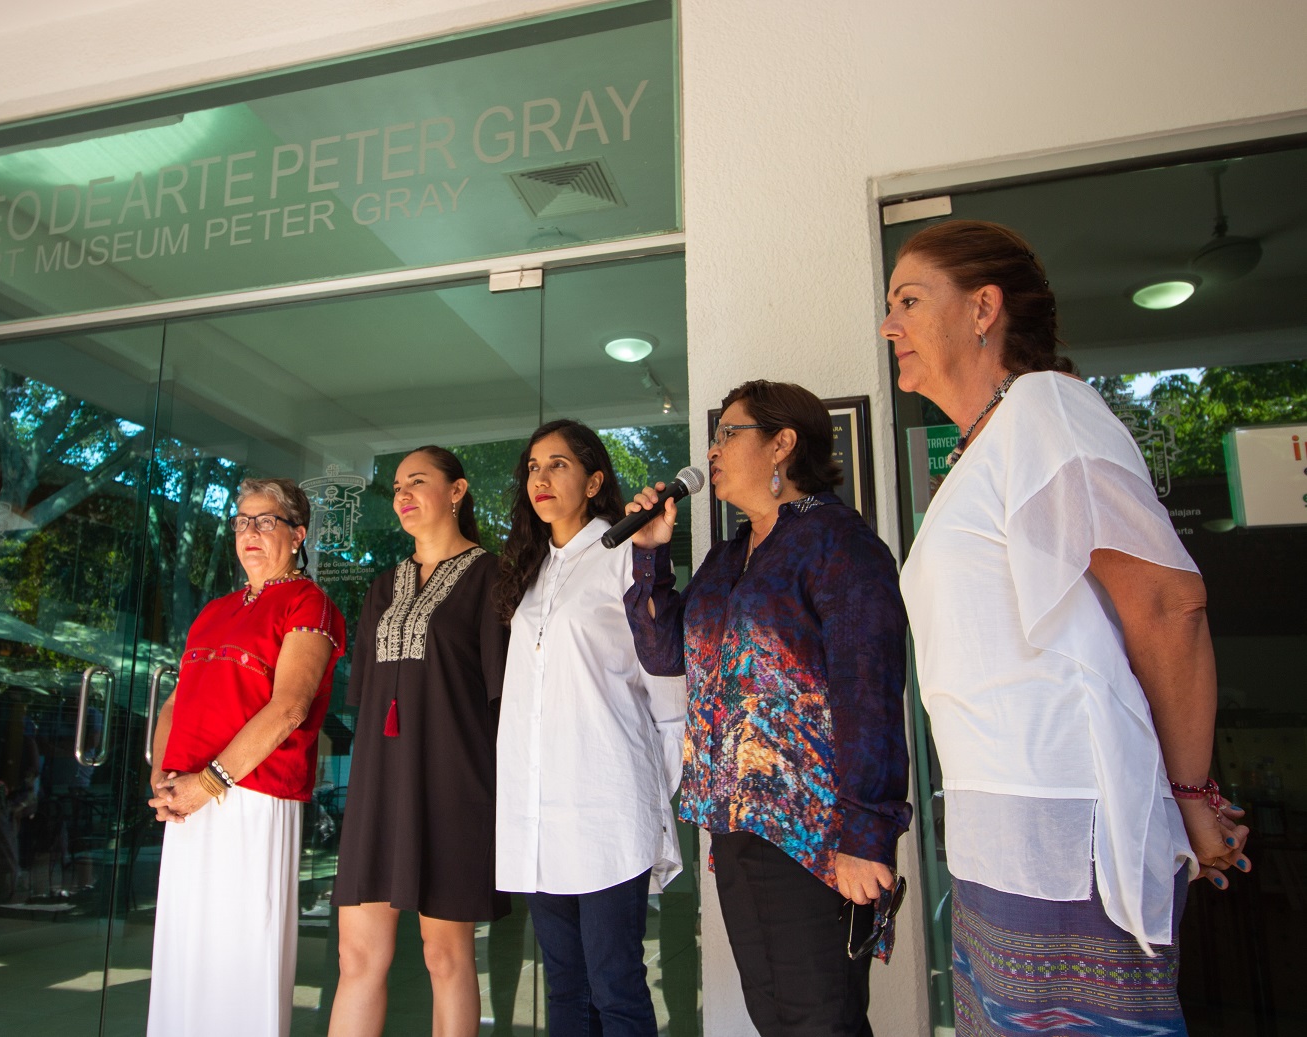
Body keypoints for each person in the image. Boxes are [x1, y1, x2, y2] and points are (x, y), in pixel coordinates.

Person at [878, 219, 1250, 1035]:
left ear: (983, 308)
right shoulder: (983, 448)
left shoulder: (1047, 408)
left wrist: (1188, 793)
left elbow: (1165, 604)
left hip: (1065, 834)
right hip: (996, 834)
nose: (889, 323)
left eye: (908, 299)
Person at [623, 381, 911, 1037]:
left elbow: (870, 689)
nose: (714, 447)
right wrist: (652, 552)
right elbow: (668, 652)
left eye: (730, 432)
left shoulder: (838, 543)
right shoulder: (728, 558)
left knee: (821, 1019)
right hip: (737, 827)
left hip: (817, 836)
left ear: (782, 442)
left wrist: (867, 834)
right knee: (775, 1015)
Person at [494, 419, 686, 1037]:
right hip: (540, 816)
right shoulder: (532, 569)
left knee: (616, 986)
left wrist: (657, 790)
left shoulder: (625, 552)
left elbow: (666, 685)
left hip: (605, 805)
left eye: (558, 465)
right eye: (532, 467)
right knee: (563, 988)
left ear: (595, 479)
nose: (540, 478)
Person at [147, 477, 346, 1037]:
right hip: (187, 800)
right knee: (186, 951)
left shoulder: (310, 603)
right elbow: (174, 705)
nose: (250, 533)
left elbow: (289, 707)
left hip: (252, 794)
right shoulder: (215, 610)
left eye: (266, 521)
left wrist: (206, 783)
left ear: (298, 534)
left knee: (241, 954)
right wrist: (163, 779)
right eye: (241, 522)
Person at [329, 446, 510, 1037]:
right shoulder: (383, 588)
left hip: (454, 784)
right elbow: (365, 699)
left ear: (457, 491)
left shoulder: (494, 577)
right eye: (397, 487)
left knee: (444, 955)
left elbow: (503, 697)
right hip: (378, 785)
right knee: (356, 959)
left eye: (418, 481)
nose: (403, 495)